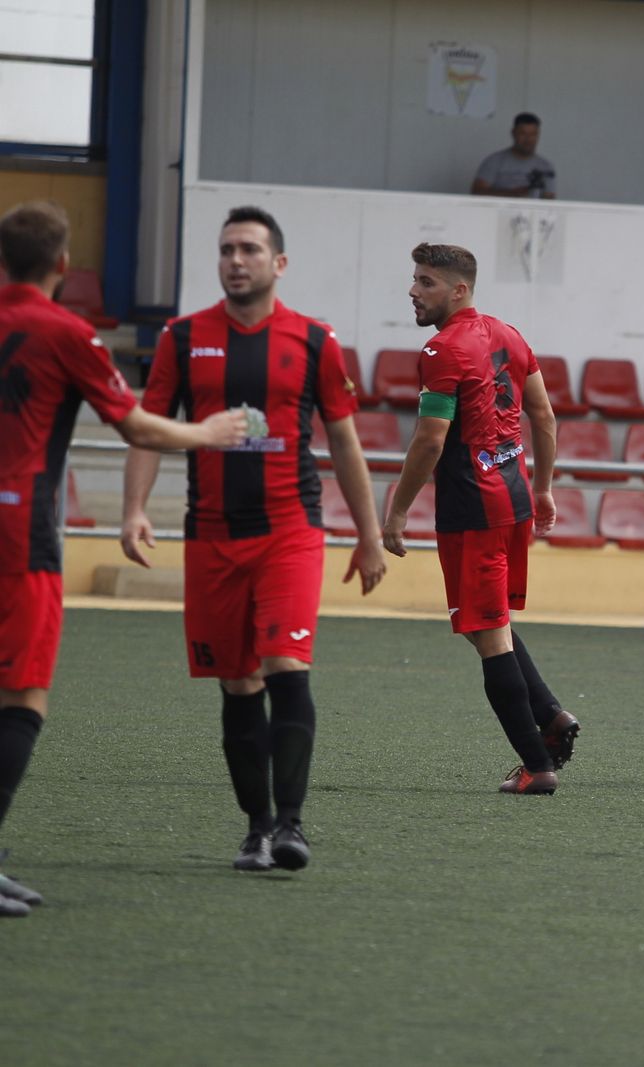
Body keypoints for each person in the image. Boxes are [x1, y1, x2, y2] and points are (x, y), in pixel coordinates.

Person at [121, 206, 387, 874]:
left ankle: (293, 825)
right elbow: (149, 427)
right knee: (237, 683)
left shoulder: (315, 340)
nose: (236, 260)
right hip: (209, 536)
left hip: (289, 532)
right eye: (226, 249)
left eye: (249, 249)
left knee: (285, 666)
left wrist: (369, 533)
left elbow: (346, 442)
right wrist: (132, 509)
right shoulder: (183, 338)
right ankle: (256, 828)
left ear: (279, 263)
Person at [0, 201, 248, 917]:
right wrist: (208, 432)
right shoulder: (67, 331)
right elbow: (133, 422)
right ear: (62, 266)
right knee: (21, 695)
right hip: (20, 531)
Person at [381, 243, 577, 796]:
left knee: (487, 636)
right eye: (414, 279)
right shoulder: (509, 334)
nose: (414, 291)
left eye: (426, 282)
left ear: (458, 289)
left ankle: (537, 765)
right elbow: (543, 413)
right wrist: (540, 487)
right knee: (486, 625)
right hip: (511, 499)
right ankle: (553, 716)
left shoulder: (441, 351)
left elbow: (430, 439)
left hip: (473, 510)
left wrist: (396, 511)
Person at [470, 112, 557, 199]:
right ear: (513, 133)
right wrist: (513, 194)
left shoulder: (545, 166)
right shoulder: (494, 161)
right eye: (523, 133)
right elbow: (477, 192)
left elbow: (549, 199)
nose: (528, 139)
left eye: (533, 134)